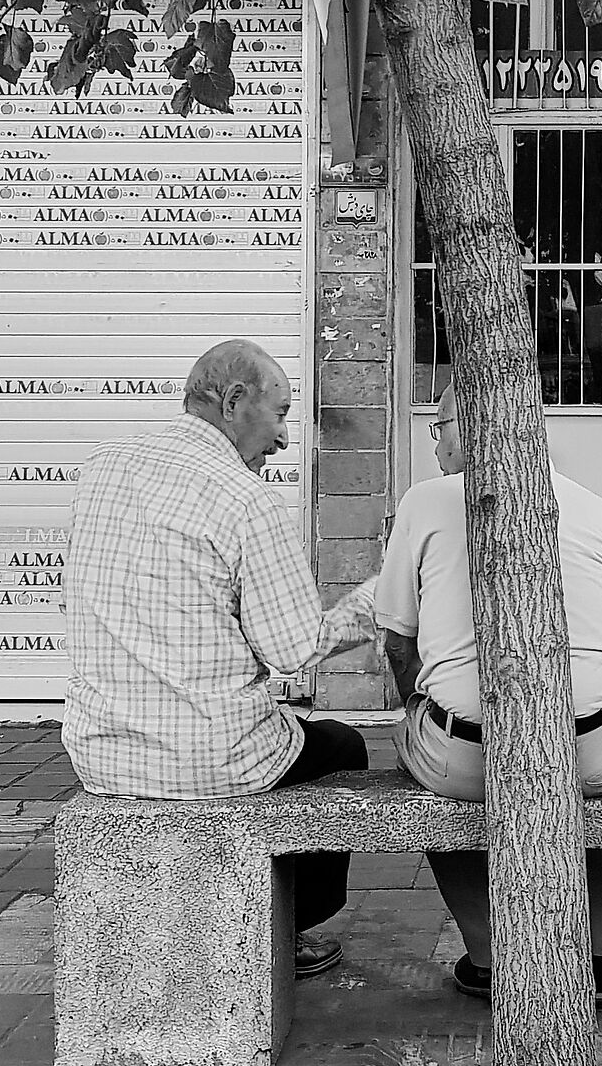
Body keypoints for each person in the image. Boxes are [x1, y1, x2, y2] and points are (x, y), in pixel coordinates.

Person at [63, 339, 375, 978]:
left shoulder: (99, 469)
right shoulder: (245, 498)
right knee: (342, 748)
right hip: (208, 759)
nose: (284, 438)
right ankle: (279, 930)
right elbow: (292, 650)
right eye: (281, 414)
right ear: (235, 403)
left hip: (99, 750)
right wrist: (382, 599)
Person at [378, 385, 602, 1010]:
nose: (436, 440)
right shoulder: (596, 508)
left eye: (441, 424)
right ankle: (601, 955)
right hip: (588, 749)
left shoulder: (425, 503)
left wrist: (417, 707)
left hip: (465, 755)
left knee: (417, 762)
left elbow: (397, 642)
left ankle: (486, 956)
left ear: (477, 426)